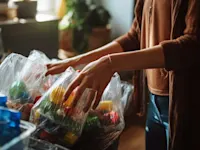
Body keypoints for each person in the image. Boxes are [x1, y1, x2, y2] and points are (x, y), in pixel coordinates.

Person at [46, 0, 200, 150]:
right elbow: (135, 37)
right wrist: (77, 61)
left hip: (186, 102)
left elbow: (191, 45)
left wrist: (111, 63)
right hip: (154, 100)